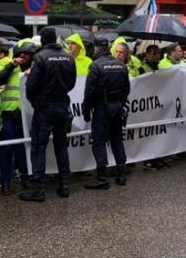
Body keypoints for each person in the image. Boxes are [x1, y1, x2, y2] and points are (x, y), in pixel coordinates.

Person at [21, 27, 77, 202]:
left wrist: (35, 100)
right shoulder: (68, 57)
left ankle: (38, 189)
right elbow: (72, 82)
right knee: (61, 146)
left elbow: (31, 86)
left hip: (45, 107)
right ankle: (65, 185)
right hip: (62, 105)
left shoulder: (40, 57)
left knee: (39, 147)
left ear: (43, 41)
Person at [82, 38, 131, 189]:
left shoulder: (96, 65)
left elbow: (89, 92)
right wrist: (120, 105)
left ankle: (101, 177)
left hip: (102, 107)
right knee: (117, 139)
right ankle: (121, 174)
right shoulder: (120, 65)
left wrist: (86, 110)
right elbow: (126, 89)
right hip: (117, 106)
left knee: (99, 141)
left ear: (97, 49)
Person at [0, 40, 35, 195]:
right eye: (21, 54)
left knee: (23, 149)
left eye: (27, 54)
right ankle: (5, 183)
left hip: (25, 115)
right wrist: (12, 64)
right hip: (7, 114)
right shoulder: (6, 65)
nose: (23, 57)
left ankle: (25, 179)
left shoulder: (35, 69)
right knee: (5, 149)